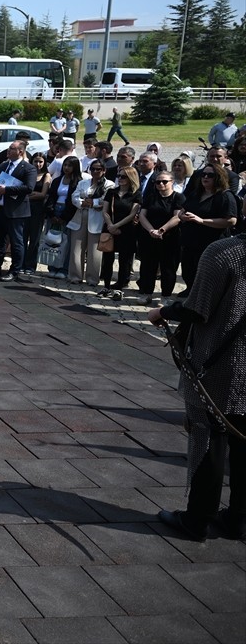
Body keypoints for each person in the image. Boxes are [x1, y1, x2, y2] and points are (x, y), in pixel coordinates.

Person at [149, 233, 246, 542]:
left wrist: (162, 312)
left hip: (220, 364)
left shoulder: (224, 252)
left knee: (208, 436)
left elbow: (197, 309)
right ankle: (238, 520)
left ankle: (197, 520)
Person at [178, 162, 237, 294]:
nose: (205, 177)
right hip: (189, 242)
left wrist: (202, 221)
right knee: (188, 272)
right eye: (203, 174)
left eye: (210, 175)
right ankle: (191, 294)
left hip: (210, 245)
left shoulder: (225, 196)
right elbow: (183, 209)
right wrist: (182, 215)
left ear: (218, 177)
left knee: (206, 277)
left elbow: (231, 220)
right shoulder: (196, 193)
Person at [0, 140, 34, 282]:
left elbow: (28, 188)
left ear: (20, 151)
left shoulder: (28, 168)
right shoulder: (3, 165)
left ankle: (15, 271)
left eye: (12, 148)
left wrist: (6, 190)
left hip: (16, 212)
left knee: (16, 242)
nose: (8, 151)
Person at [137, 170, 184, 306]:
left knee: (168, 267)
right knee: (147, 266)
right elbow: (142, 215)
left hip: (170, 238)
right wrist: (151, 230)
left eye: (164, 181)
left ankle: (166, 296)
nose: (161, 184)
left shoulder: (178, 198)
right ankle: (146, 293)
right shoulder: (151, 197)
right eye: (158, 182)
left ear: (172, 182)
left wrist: (162, 229)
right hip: (149, 236)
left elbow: (177, 216)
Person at [68, 159, 113, 286]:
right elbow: (75, 196)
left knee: (95, 251)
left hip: (97, 219)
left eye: (98, 169)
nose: (95, 171)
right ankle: (75, 276)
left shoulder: (109, 184)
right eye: (93, 169)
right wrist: (82, 202)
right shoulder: (83, 182)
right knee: (76, 249)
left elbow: (106, 200)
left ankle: (92, 279)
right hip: (81, 216)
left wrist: (93, 203)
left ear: (104, 171)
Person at [98, 166, 140, 298]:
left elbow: (132, 213)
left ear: (130, 178)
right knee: (107, 259)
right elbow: (105, 211)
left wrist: (117, 225)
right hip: (110, 230)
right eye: (119, 176)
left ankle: (120, 288)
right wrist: (111, 225)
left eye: (123, 177)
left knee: (124, 261)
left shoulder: (136, 194)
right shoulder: (112, 192)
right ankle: (106, 286)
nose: (120, 179)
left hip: (126, 230)